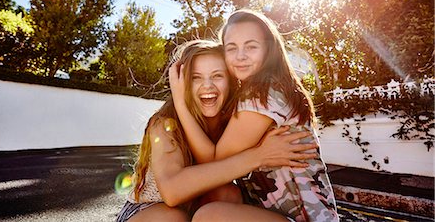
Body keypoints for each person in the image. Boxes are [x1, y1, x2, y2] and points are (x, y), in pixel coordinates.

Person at [117, 40, 318, 222]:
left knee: (227, 194)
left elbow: (214, 166)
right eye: (196, 77)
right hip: (148, 211)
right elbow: (172, 192)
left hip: (194, 211)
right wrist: (259, 156)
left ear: (231, 81)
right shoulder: (165, 123)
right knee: (171, 218)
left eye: (217, 76)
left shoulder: (236, 120)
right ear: (183, 83)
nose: (207, 85)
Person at [170, 10, 339, 222]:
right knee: (218, 195)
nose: (240, 56)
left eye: (251, 46)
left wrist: (179, 101)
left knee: (209, 216)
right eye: (232, 48)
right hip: (275, 214)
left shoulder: (264, 92)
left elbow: (213, 163)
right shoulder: (259, 90)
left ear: (268, 49)